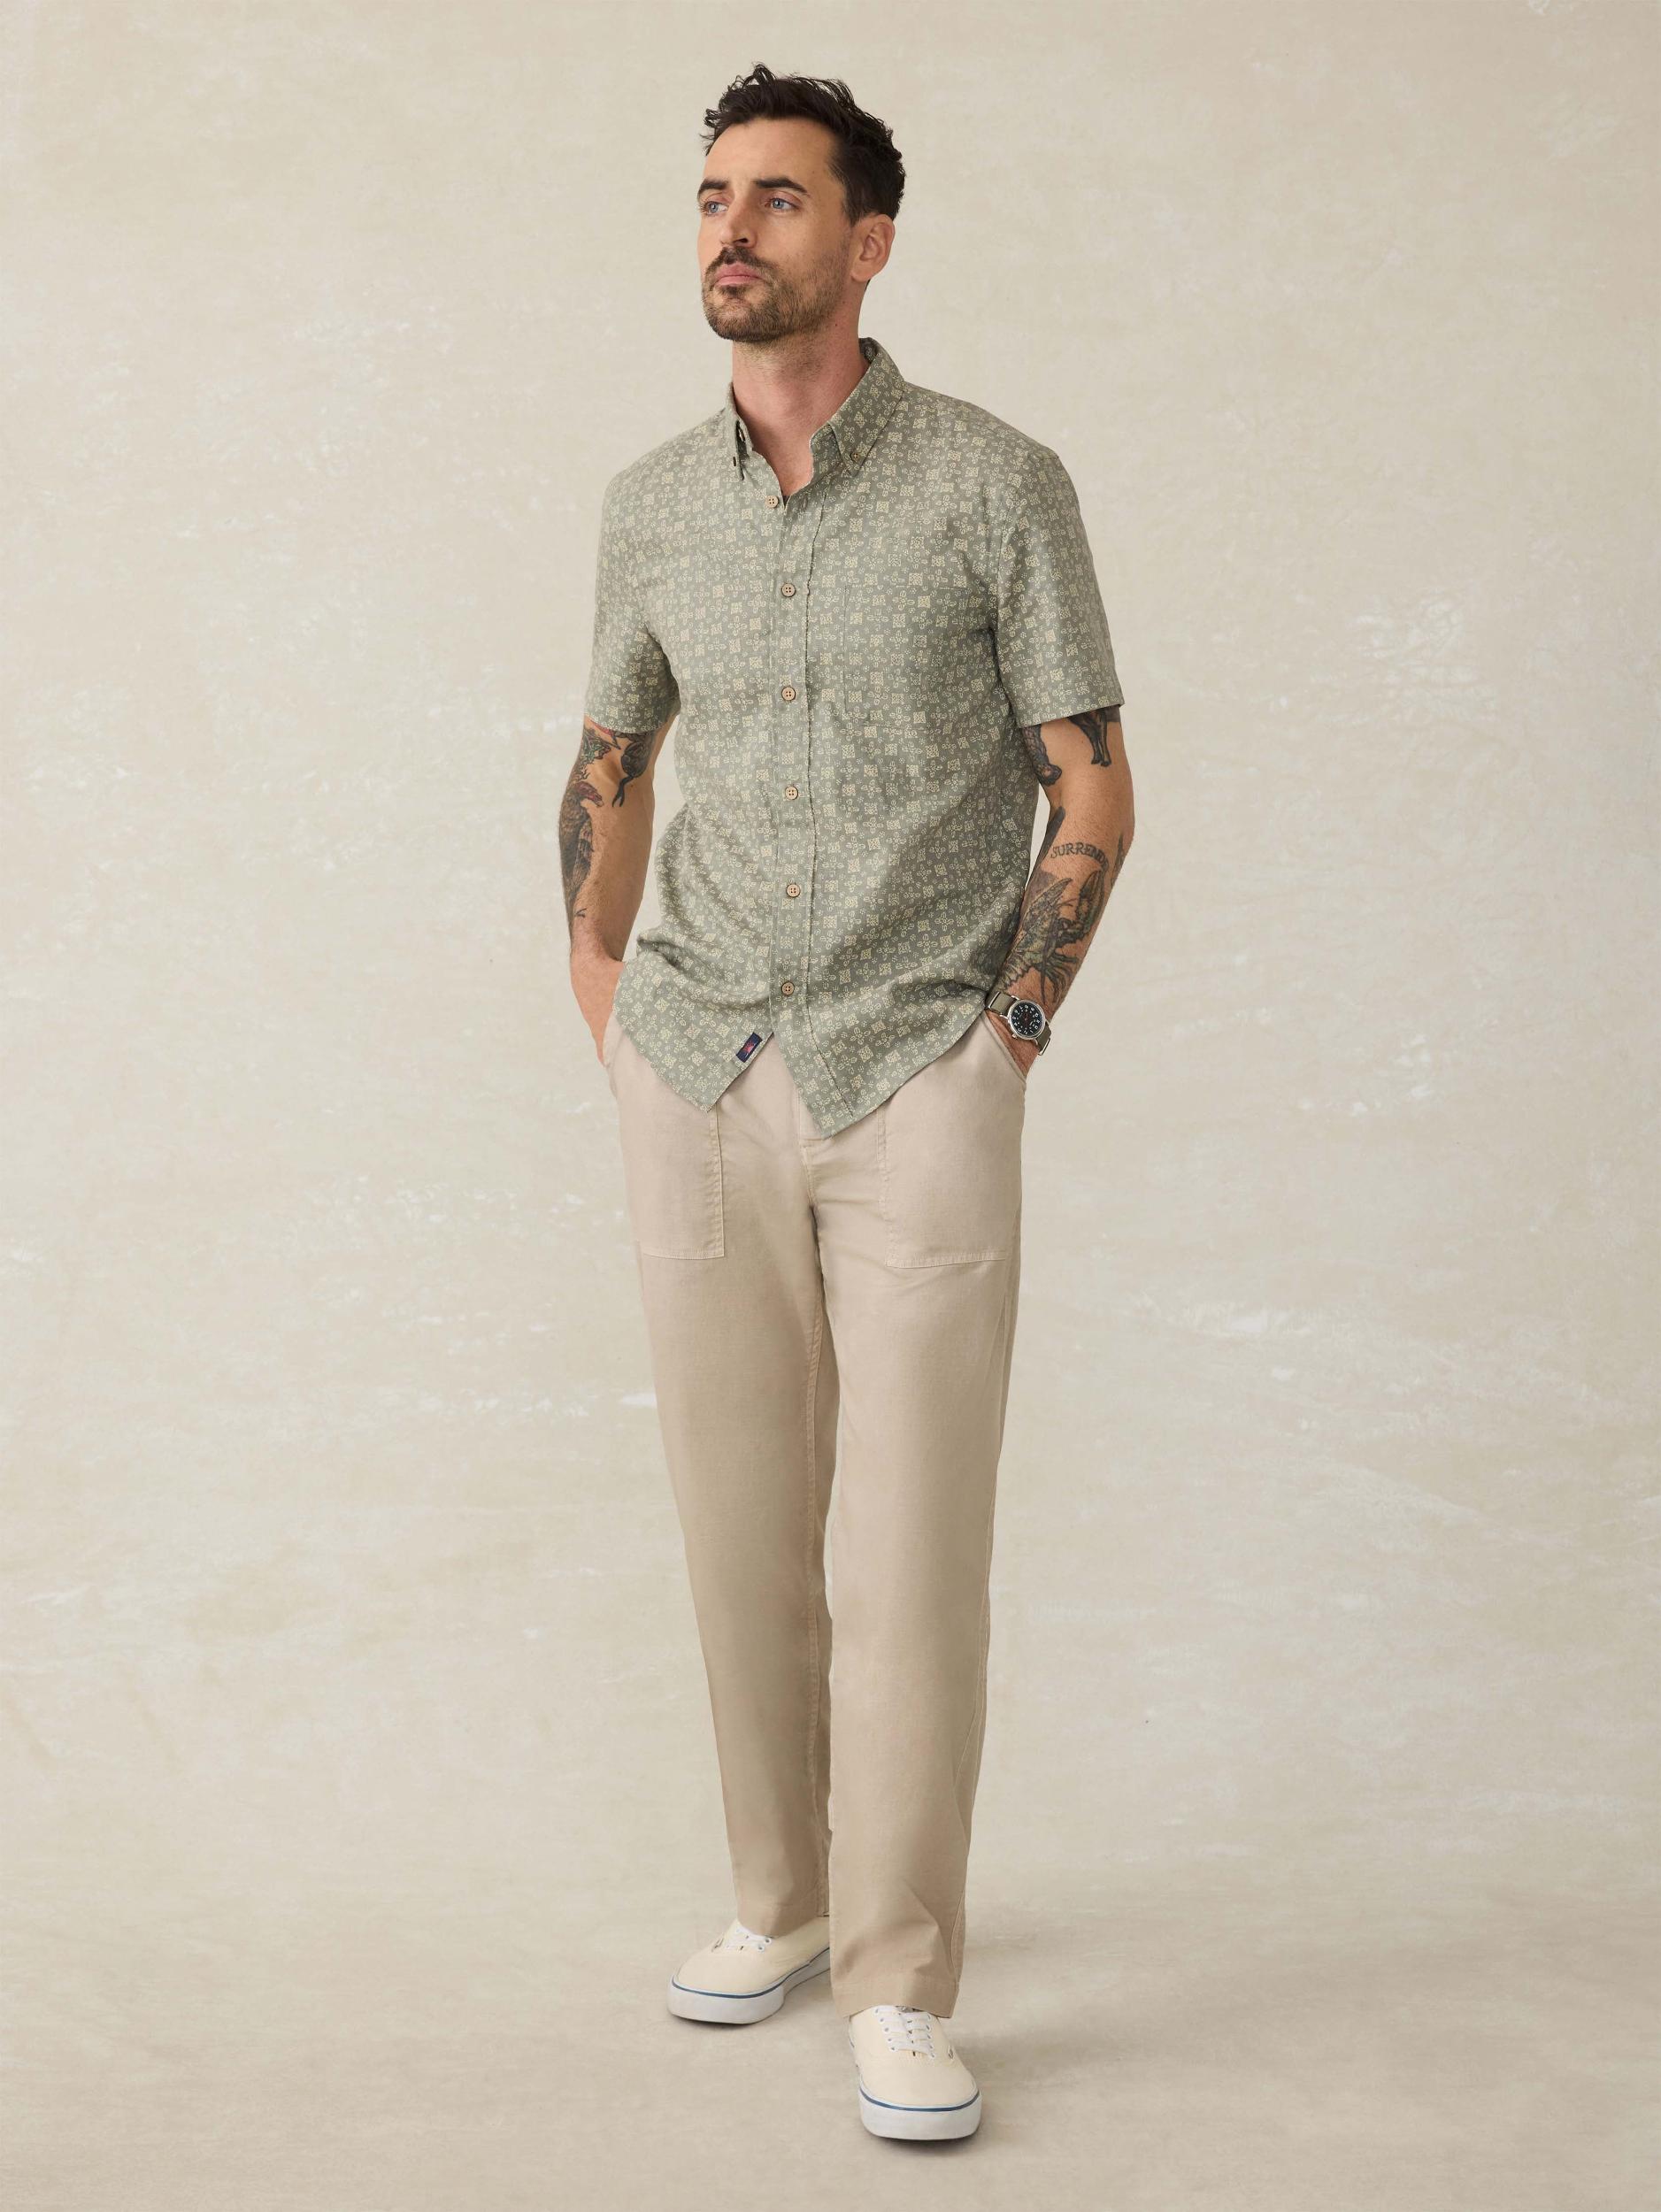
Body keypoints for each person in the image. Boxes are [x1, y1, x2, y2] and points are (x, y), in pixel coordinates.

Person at [562, 61, 1134, 2144]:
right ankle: (779, 1896)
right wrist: (610, 1008)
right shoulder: (649, 504)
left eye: (780, 198)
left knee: (908, 1551)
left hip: (919, 1065)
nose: (734, 227)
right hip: (699, 1061)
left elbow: (1093, 785)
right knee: (738, 1527)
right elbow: (609, 762)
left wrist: (1008, 1038)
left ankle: (899, 1976)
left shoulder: (996, 482)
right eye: (715, 194)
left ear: (868, 241)